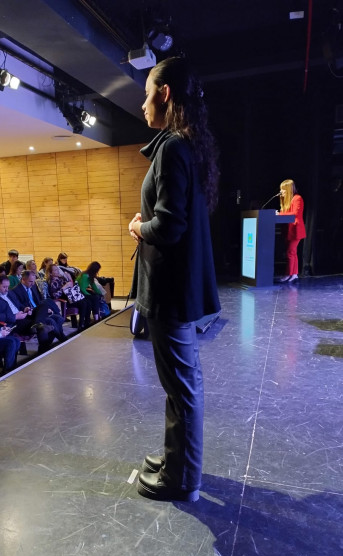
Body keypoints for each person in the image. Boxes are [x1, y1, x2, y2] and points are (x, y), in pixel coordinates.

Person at [128, 56, 220, 502]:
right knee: (182, 385)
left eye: (147, 92)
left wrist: (137, 227)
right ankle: (176, 460)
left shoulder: (172, 148)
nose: (143, 102)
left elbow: (168, 226)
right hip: (178, 291)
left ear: (164, 93)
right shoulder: (187, 145)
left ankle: (182, 480)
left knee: (182, 388)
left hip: (170, 293)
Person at [0, 273, 54, 351]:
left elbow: (18, 305)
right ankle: (44, 349)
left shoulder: (9, 292)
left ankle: (37, 323)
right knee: (45, 325)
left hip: (22, 315)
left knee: (43, 306)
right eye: (4, 287)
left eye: (7, 286)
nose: (7, 289)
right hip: (13, 322)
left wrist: (25, 309)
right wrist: (15, 316)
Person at [8, 270, 66, 341]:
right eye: (30, 281)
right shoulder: (16, 291)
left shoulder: (33, 287)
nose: (32, 284)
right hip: (29, 314)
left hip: (38, 311)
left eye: (33, 281)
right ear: (23, 279)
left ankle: (51, 341)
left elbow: (39, 301)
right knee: (50, 321)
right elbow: (19, 307)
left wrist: (44, 310)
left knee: (58, 318)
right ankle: (61, 339)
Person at [277, 179, 306, 283]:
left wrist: (279, 214)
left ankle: (288, 274)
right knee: (292, 252)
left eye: (283, 189)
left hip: (295, 230)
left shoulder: (297, 198)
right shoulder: (288, 200)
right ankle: (294, 274)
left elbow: (294, 214)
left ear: (288, 189)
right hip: (288, 230)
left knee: (290, 252)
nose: (281, 192)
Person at [46, 264, 91, 330]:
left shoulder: (61, 278)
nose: (58, 271)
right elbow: (55, 295)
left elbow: (71, 286)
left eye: (57, 269)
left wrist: (69, 279)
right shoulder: (52, 282)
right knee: (83, 303)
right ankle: (81, 325)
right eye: (55, 270)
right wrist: (64, 287)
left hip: (70, 297)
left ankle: (87, 322)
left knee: (87, 301)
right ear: (50, 273)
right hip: (64, 301)